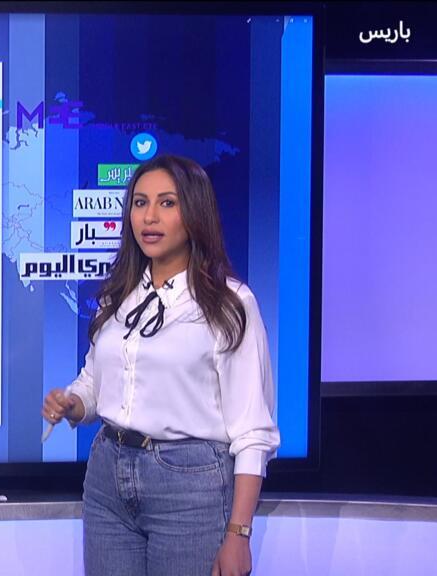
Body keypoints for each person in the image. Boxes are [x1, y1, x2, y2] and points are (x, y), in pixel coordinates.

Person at [41, 155, 279, 576]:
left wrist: (239, 534)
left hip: (190, 486)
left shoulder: (229, 304)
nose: (149, 217)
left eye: (167, 203)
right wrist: (73, 403)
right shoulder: (119, 295)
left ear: (195, 213)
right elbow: (96, 382)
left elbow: (253, 432)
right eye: (140, 202)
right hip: (107, 478)